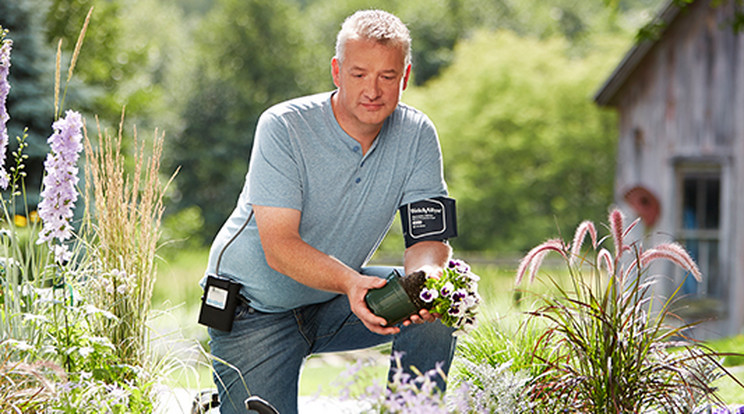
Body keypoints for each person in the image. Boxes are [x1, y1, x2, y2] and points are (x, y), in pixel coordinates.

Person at [203, 9, 457, 414]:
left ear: (405, 77)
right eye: (359, 75)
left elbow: (427, 238)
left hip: (337, 300)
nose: (372, 90)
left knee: (434, 306)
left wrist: (428, 281)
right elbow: (280, 247)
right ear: (337, 72)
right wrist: (350, 283)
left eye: (387, 77)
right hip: (254, 310)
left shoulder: (418, 135)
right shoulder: (283, 127)